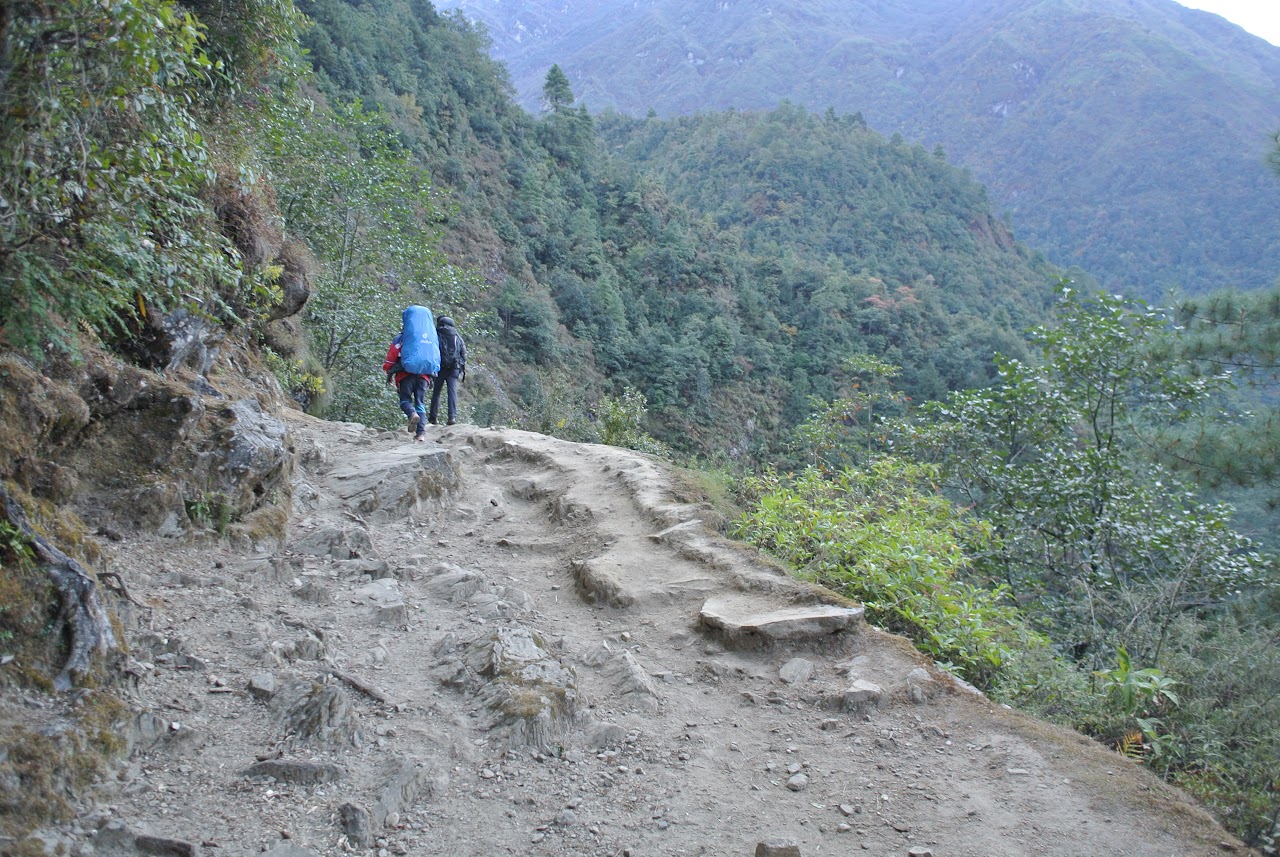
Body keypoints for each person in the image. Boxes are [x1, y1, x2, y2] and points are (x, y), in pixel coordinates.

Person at [383, 332, 432, 442]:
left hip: (405, 375)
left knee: (405, 401)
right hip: (423, 376)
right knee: (420, 403)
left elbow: (392, 356)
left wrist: (388, 370)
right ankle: (420, 435)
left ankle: (412, 413)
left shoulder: (400, 338)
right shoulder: (428, 338)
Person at [429, 315, 467, 426]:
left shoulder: (436, 334)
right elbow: (463, 354)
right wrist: (461, 368)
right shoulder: (457, 336)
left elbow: (432, 351)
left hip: (440, 367)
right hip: (454, 367)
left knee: (436, 392)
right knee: (452, 391)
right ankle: (452, 417)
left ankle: (433, 418)